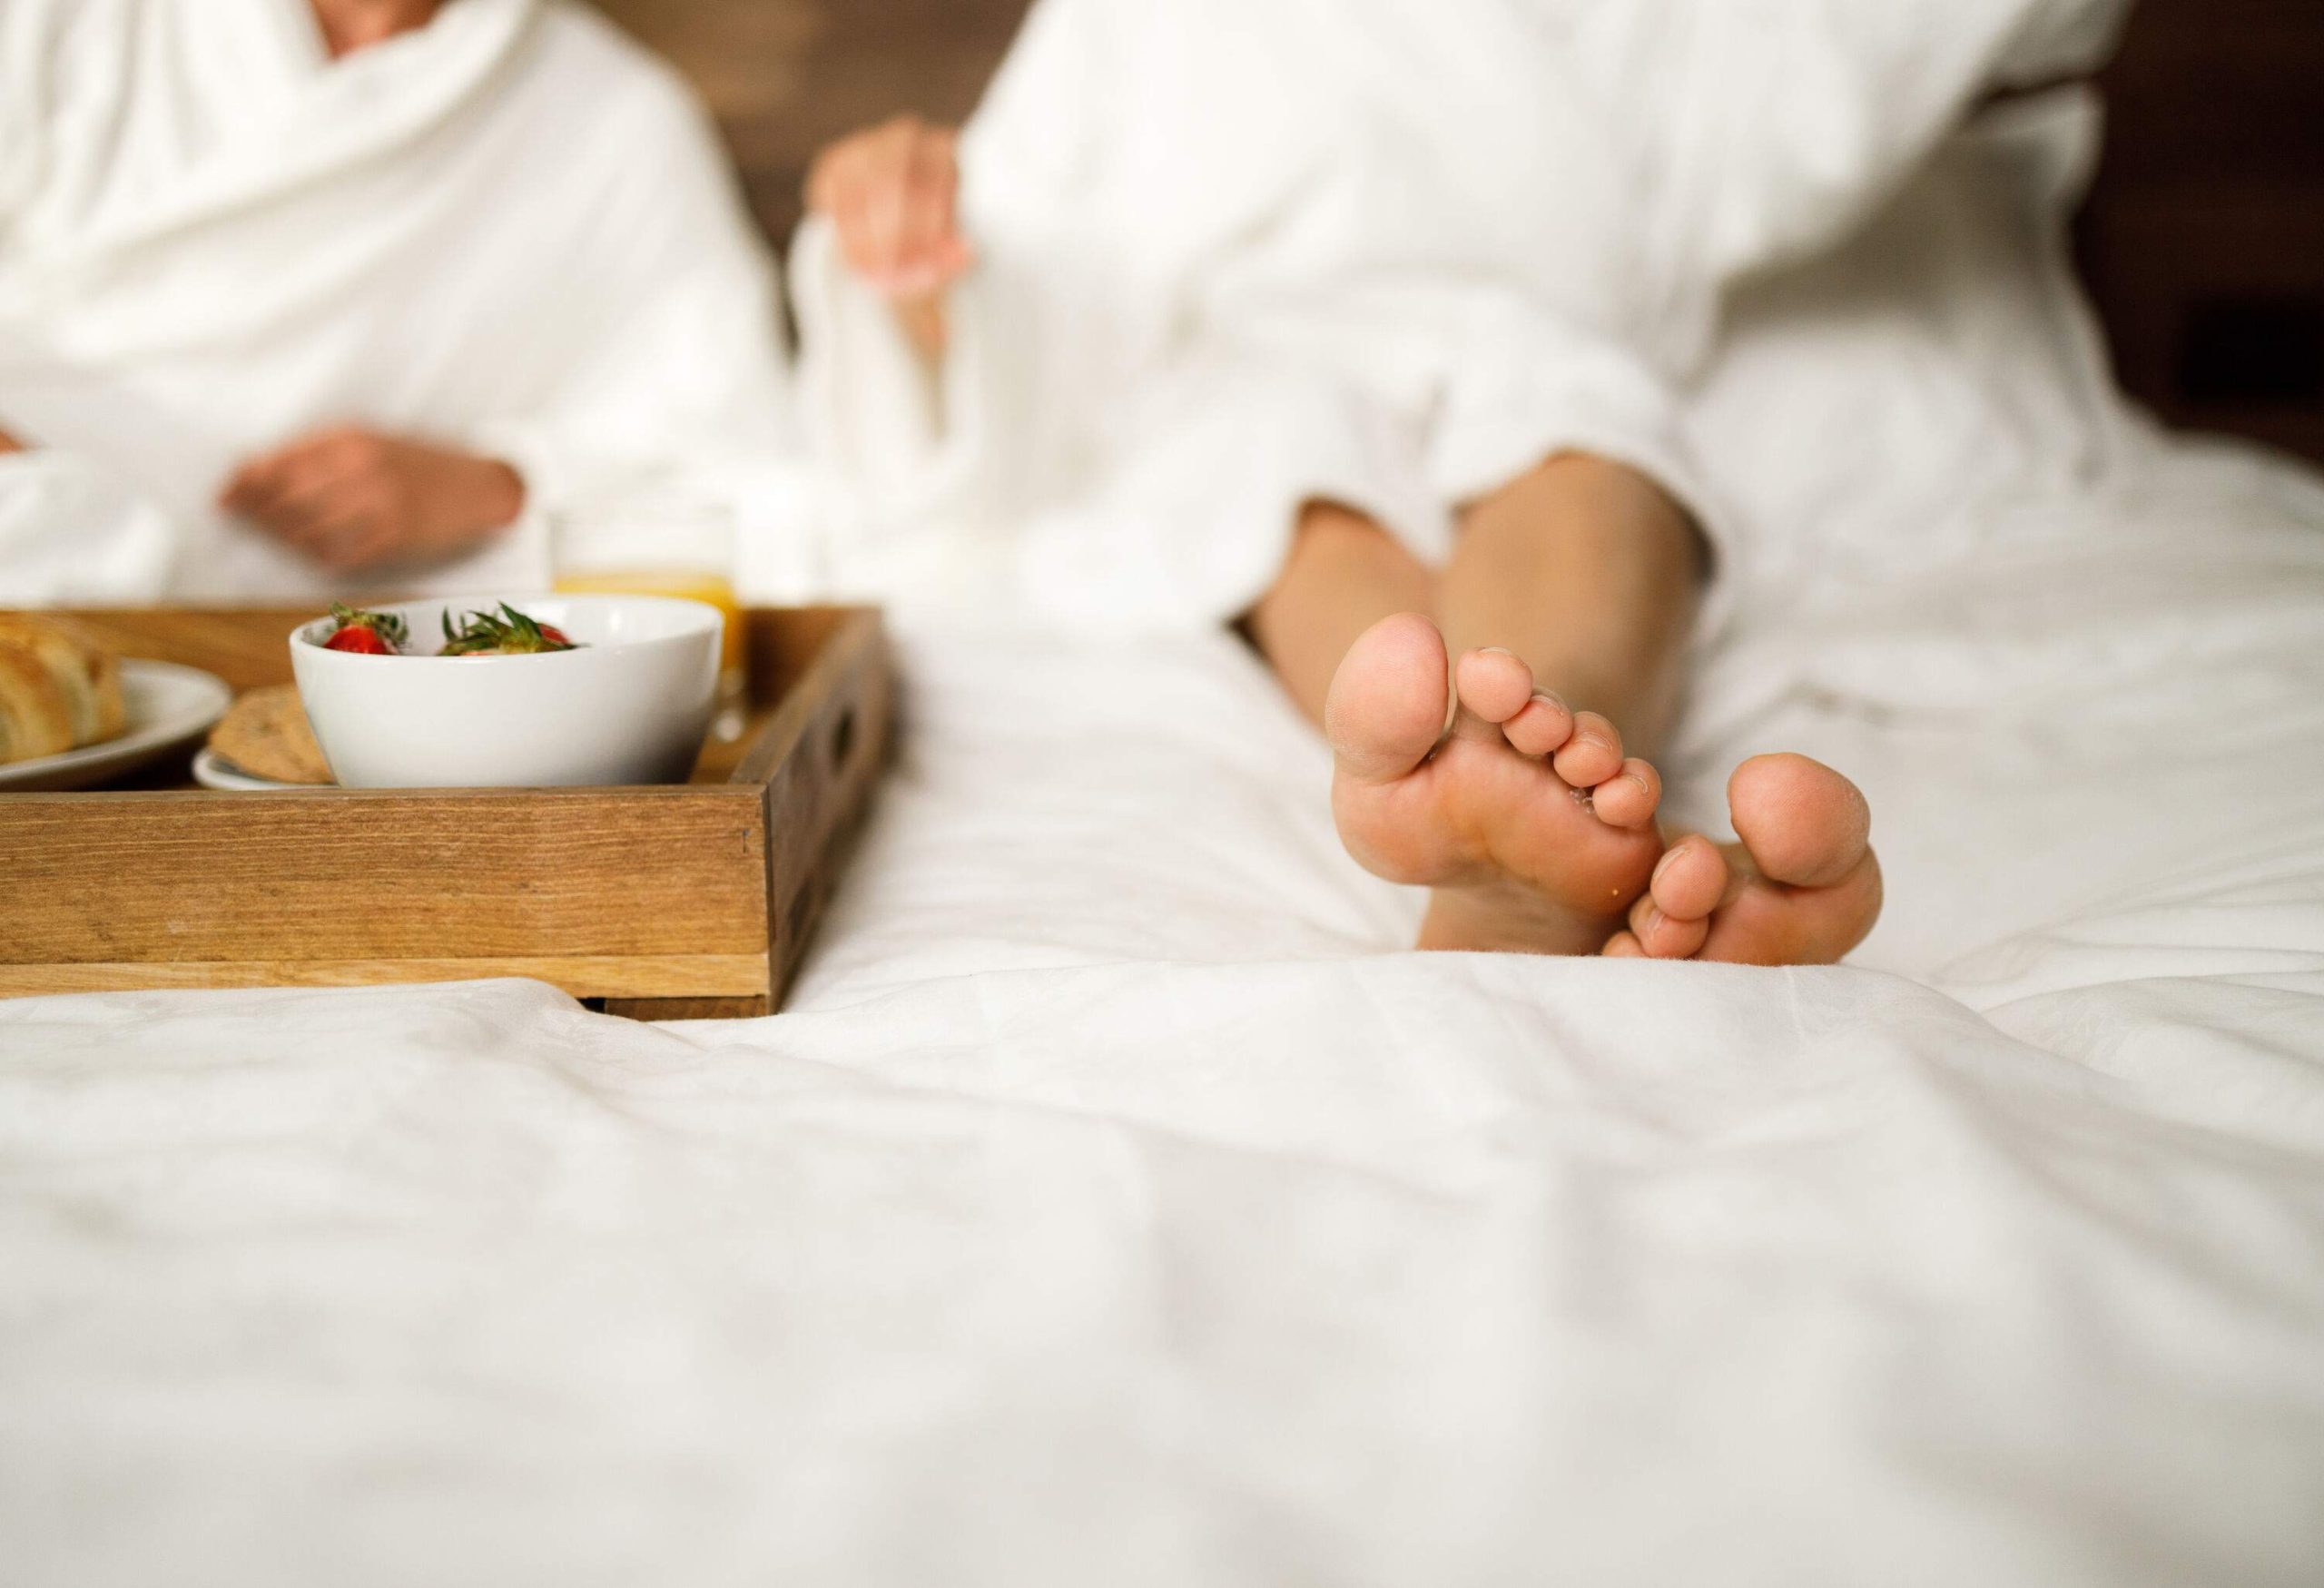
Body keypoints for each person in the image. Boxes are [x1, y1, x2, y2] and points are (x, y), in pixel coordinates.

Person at [786, 0, 2142, 963]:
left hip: (1531, 326)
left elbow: (1804, 114)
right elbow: (1040, 283)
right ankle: (1516, 798)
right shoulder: (1133, 25)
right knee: (1291, 500)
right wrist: (913, 237)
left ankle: (1516, 814)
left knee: (1591, 448)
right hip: (1245, 355)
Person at [0, 0, 790, 603]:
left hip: (324, 674)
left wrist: (499, 486)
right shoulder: (65, 24)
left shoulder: (616, 121)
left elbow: (751, 480)